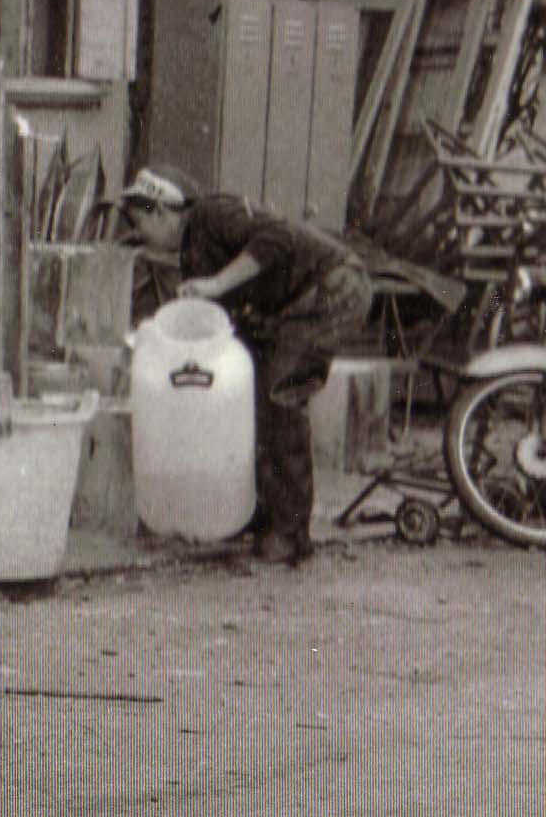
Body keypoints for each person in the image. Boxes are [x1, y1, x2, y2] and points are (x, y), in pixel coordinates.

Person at [113, 164, 371, 567]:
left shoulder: (214, 214)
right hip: (290, 305)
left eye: (140, 220)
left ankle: (291, 532)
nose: (139, 233)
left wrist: (216, 285)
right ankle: (263, 515)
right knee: (252, 396)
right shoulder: (190, 251)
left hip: (332, 286)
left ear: (162, 211)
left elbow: (279, 236)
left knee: (280, 393)